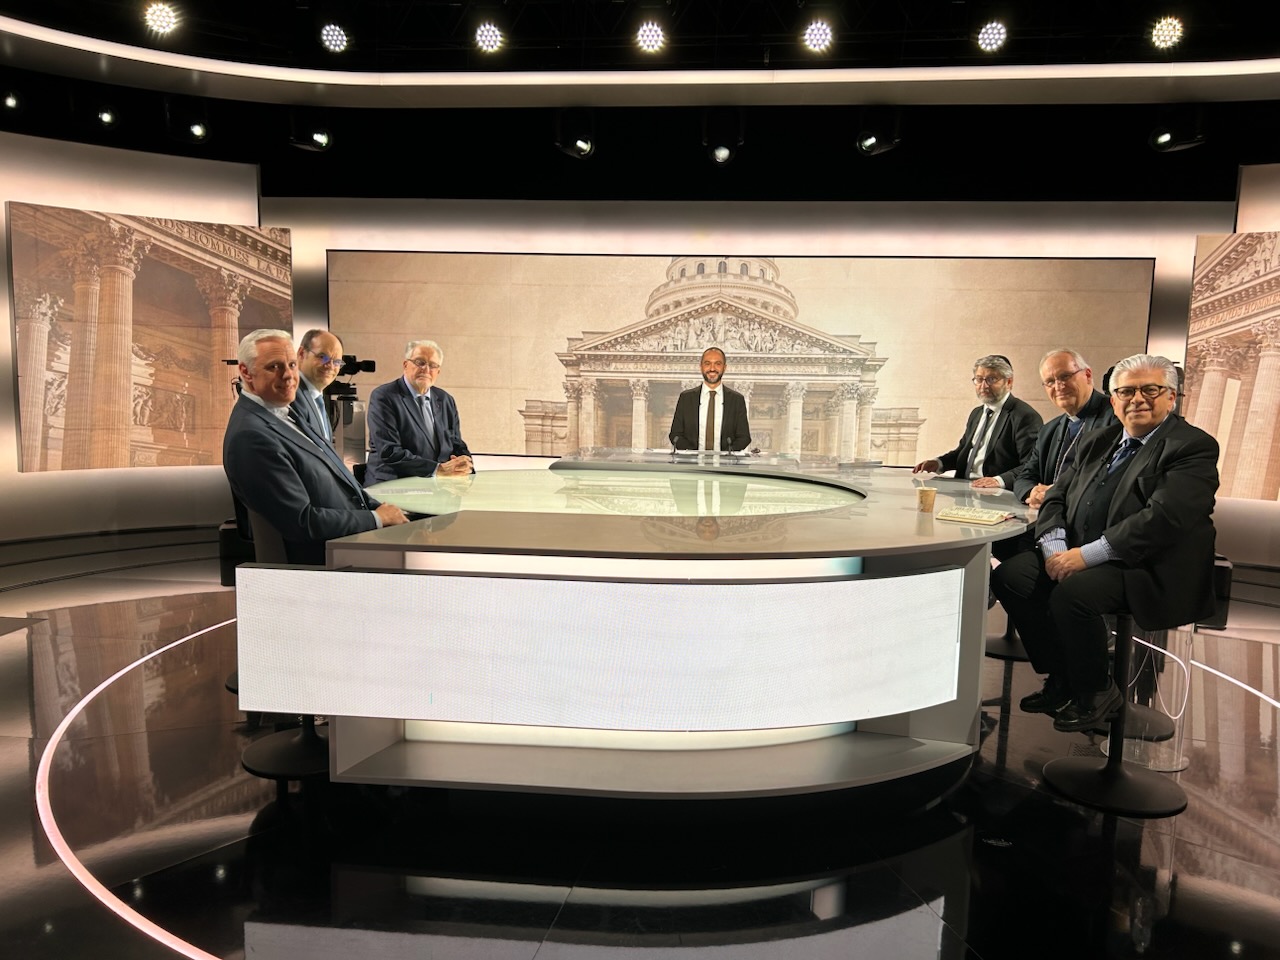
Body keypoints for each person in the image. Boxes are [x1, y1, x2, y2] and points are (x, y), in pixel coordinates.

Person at [990, 354, 1219, 732]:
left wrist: (1086, 556)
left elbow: (1165, 519)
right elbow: (1056, 497)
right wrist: (1055, 548)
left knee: (1073, 595)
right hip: (1077, 551)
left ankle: (1095, 690)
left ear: (1171, 396)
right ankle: (1063, 677)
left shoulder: (1192, 446)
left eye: (1151, 390)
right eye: (1126, 392)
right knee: (1011, 577)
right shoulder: (1098, 440)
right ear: (1113, 400)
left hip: (1146, 564)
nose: (1137, 399)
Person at [223, 329, 407, 565]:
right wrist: (376, 519)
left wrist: (380, 510)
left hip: (351, 540)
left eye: (291, 365)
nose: (289, 375)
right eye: (274, 367)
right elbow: (301, 522)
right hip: (326, 561)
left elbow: (336, 473)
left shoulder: (283, 411)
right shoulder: (250, 436)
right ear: (246, 372)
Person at [1009, 348, 1116, 507]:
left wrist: (1057, 493)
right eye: (1050, 382)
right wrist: (1032, 493)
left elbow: (1110, 478)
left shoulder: (1116, 417)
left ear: (1087, 375)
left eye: (1065, 376)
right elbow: (1025, 476)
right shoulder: (1049, 430)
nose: (1058, 386)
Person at [913, 354, 1042, 484]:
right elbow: (964, 453)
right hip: (964, 487)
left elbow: (1031, 465)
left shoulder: (1025, 416)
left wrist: (998, 481)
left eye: (991, 379)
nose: (984, 386)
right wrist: (938, 463)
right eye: (979, 379)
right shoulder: (976, 413)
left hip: (996, 491)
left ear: (1008, 382)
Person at [363, 339, 473, 485]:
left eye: (433, 365)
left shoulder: (445, 399)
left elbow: (456, 444)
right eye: (420, 362)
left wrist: (465, 466)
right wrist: (437, 470)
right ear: (405, 365)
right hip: (393, 486)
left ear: (438, 371)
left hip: (437, 486)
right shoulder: (384, 396)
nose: (426, 369)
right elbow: (389, 451)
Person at [668, 347, 752, 452]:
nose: (712, 368)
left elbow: (744, 437)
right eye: (707, 363)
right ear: (701, 367)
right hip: (692, 460)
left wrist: (725, 455)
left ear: (724, 367)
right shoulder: (686, 398)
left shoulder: (737, 400)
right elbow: (675, 434)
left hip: (725, 461)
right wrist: (693, 454)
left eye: (718, 364)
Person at [291, 328, 344, 445]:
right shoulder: (292, 395)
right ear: (301, 354)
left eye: (337, 362)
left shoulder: (316, 397)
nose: (330, 366)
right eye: (323, 357)